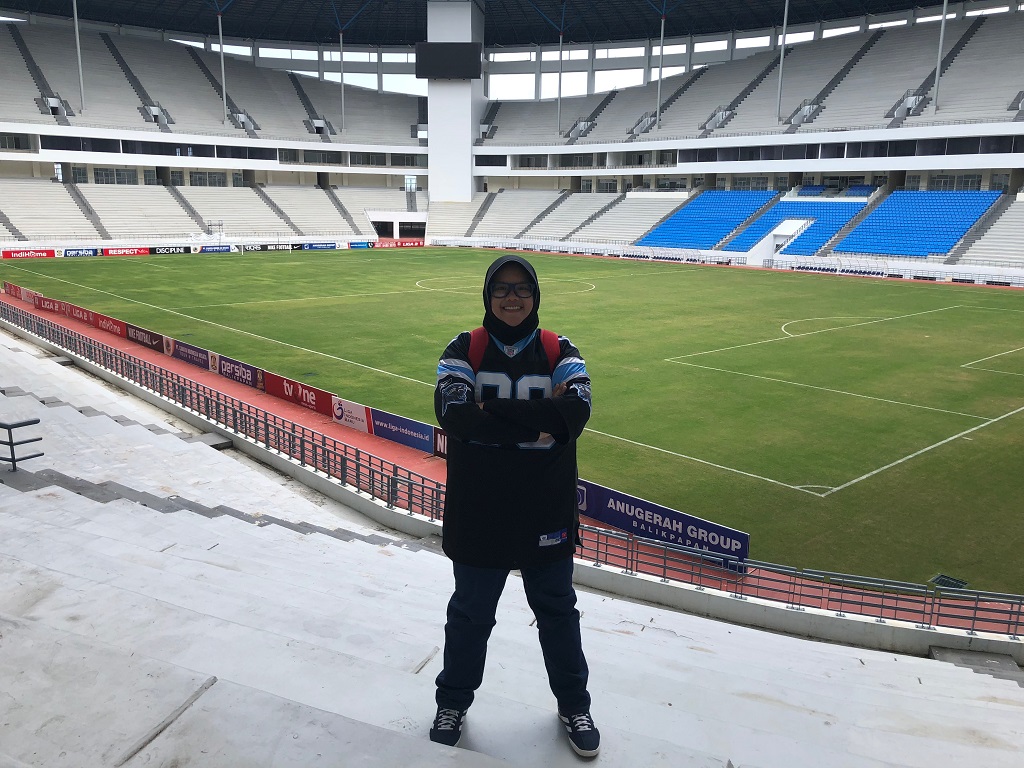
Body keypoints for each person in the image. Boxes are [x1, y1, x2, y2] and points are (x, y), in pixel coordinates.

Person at [430, 254, 599, 758]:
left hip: (545, 510)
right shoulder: (463, 348)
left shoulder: (559, 349)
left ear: (535, 295)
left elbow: (576, 413)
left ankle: (574, 706)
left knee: (558, 614)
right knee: (470, 615)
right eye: (501, 288)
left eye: (522, 289)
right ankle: (452, 703)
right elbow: (455, 415)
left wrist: (493, 411)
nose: (512, 298)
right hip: (479, 510)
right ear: (488, 295)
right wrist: (541, 423)